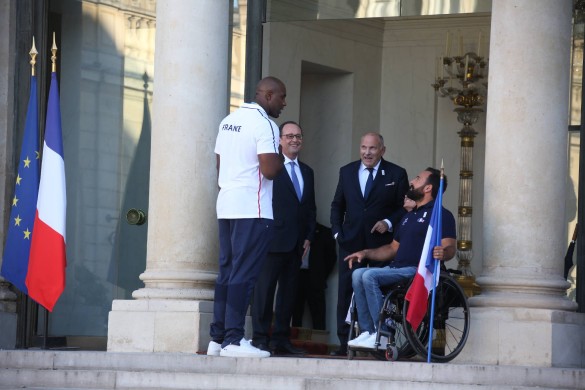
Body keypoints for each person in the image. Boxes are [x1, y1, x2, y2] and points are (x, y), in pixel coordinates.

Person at [208, 76, 287, 358]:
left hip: (226, 204)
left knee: (227, 272)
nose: (284, 103)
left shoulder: (227, 120)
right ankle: (234, 339)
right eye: (281, 97)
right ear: (267, 95)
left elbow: (219, 166)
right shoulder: (265, 123)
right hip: (253, 209)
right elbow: (269, 170)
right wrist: (280, 156)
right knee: (244, 274)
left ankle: (217, 338)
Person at [344, 167, 456, 350]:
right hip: (396, 268)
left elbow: (450, 246)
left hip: (417, 271)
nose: (412, 180)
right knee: (358, 274)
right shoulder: (407, 216)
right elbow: (391, 249)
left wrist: (444, 252)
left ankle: (385, 332)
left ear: (428, 188)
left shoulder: (442, 215)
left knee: (368, 276)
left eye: (418, 178)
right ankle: (369, 332)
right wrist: (365, 253)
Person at [329, 132, 408, 355]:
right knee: (345, 291)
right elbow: (337, 205)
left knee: (378, 291)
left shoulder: (396, 173)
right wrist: (337, 234)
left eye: (372, 148)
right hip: (350, 243)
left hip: (380, 246)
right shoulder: (347, 171)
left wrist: (388, 222)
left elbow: (404, 207)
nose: (367, 152)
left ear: (382, 150)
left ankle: (381, 340)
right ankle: (345, 343)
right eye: (364, 147)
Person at [252, 121, 316, 356]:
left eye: (298, 136)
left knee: (289, 295)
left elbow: (309, 207)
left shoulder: (307, 171)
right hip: (272, 239)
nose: (294, 140)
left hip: (297, 243)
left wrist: (309, 236)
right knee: (265, 292)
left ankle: (281, 340)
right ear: (279, 140)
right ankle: (259, 339)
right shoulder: (271, 167)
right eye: (289, 136)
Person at [291, 222, 337, 331]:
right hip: (296, 277)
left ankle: (320, 345)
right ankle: (293, 343)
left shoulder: (325, 232)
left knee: (318, 315)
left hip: (316, 277)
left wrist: (321, 275)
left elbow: (331, 258)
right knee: (295, 313)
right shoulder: (293, 229)